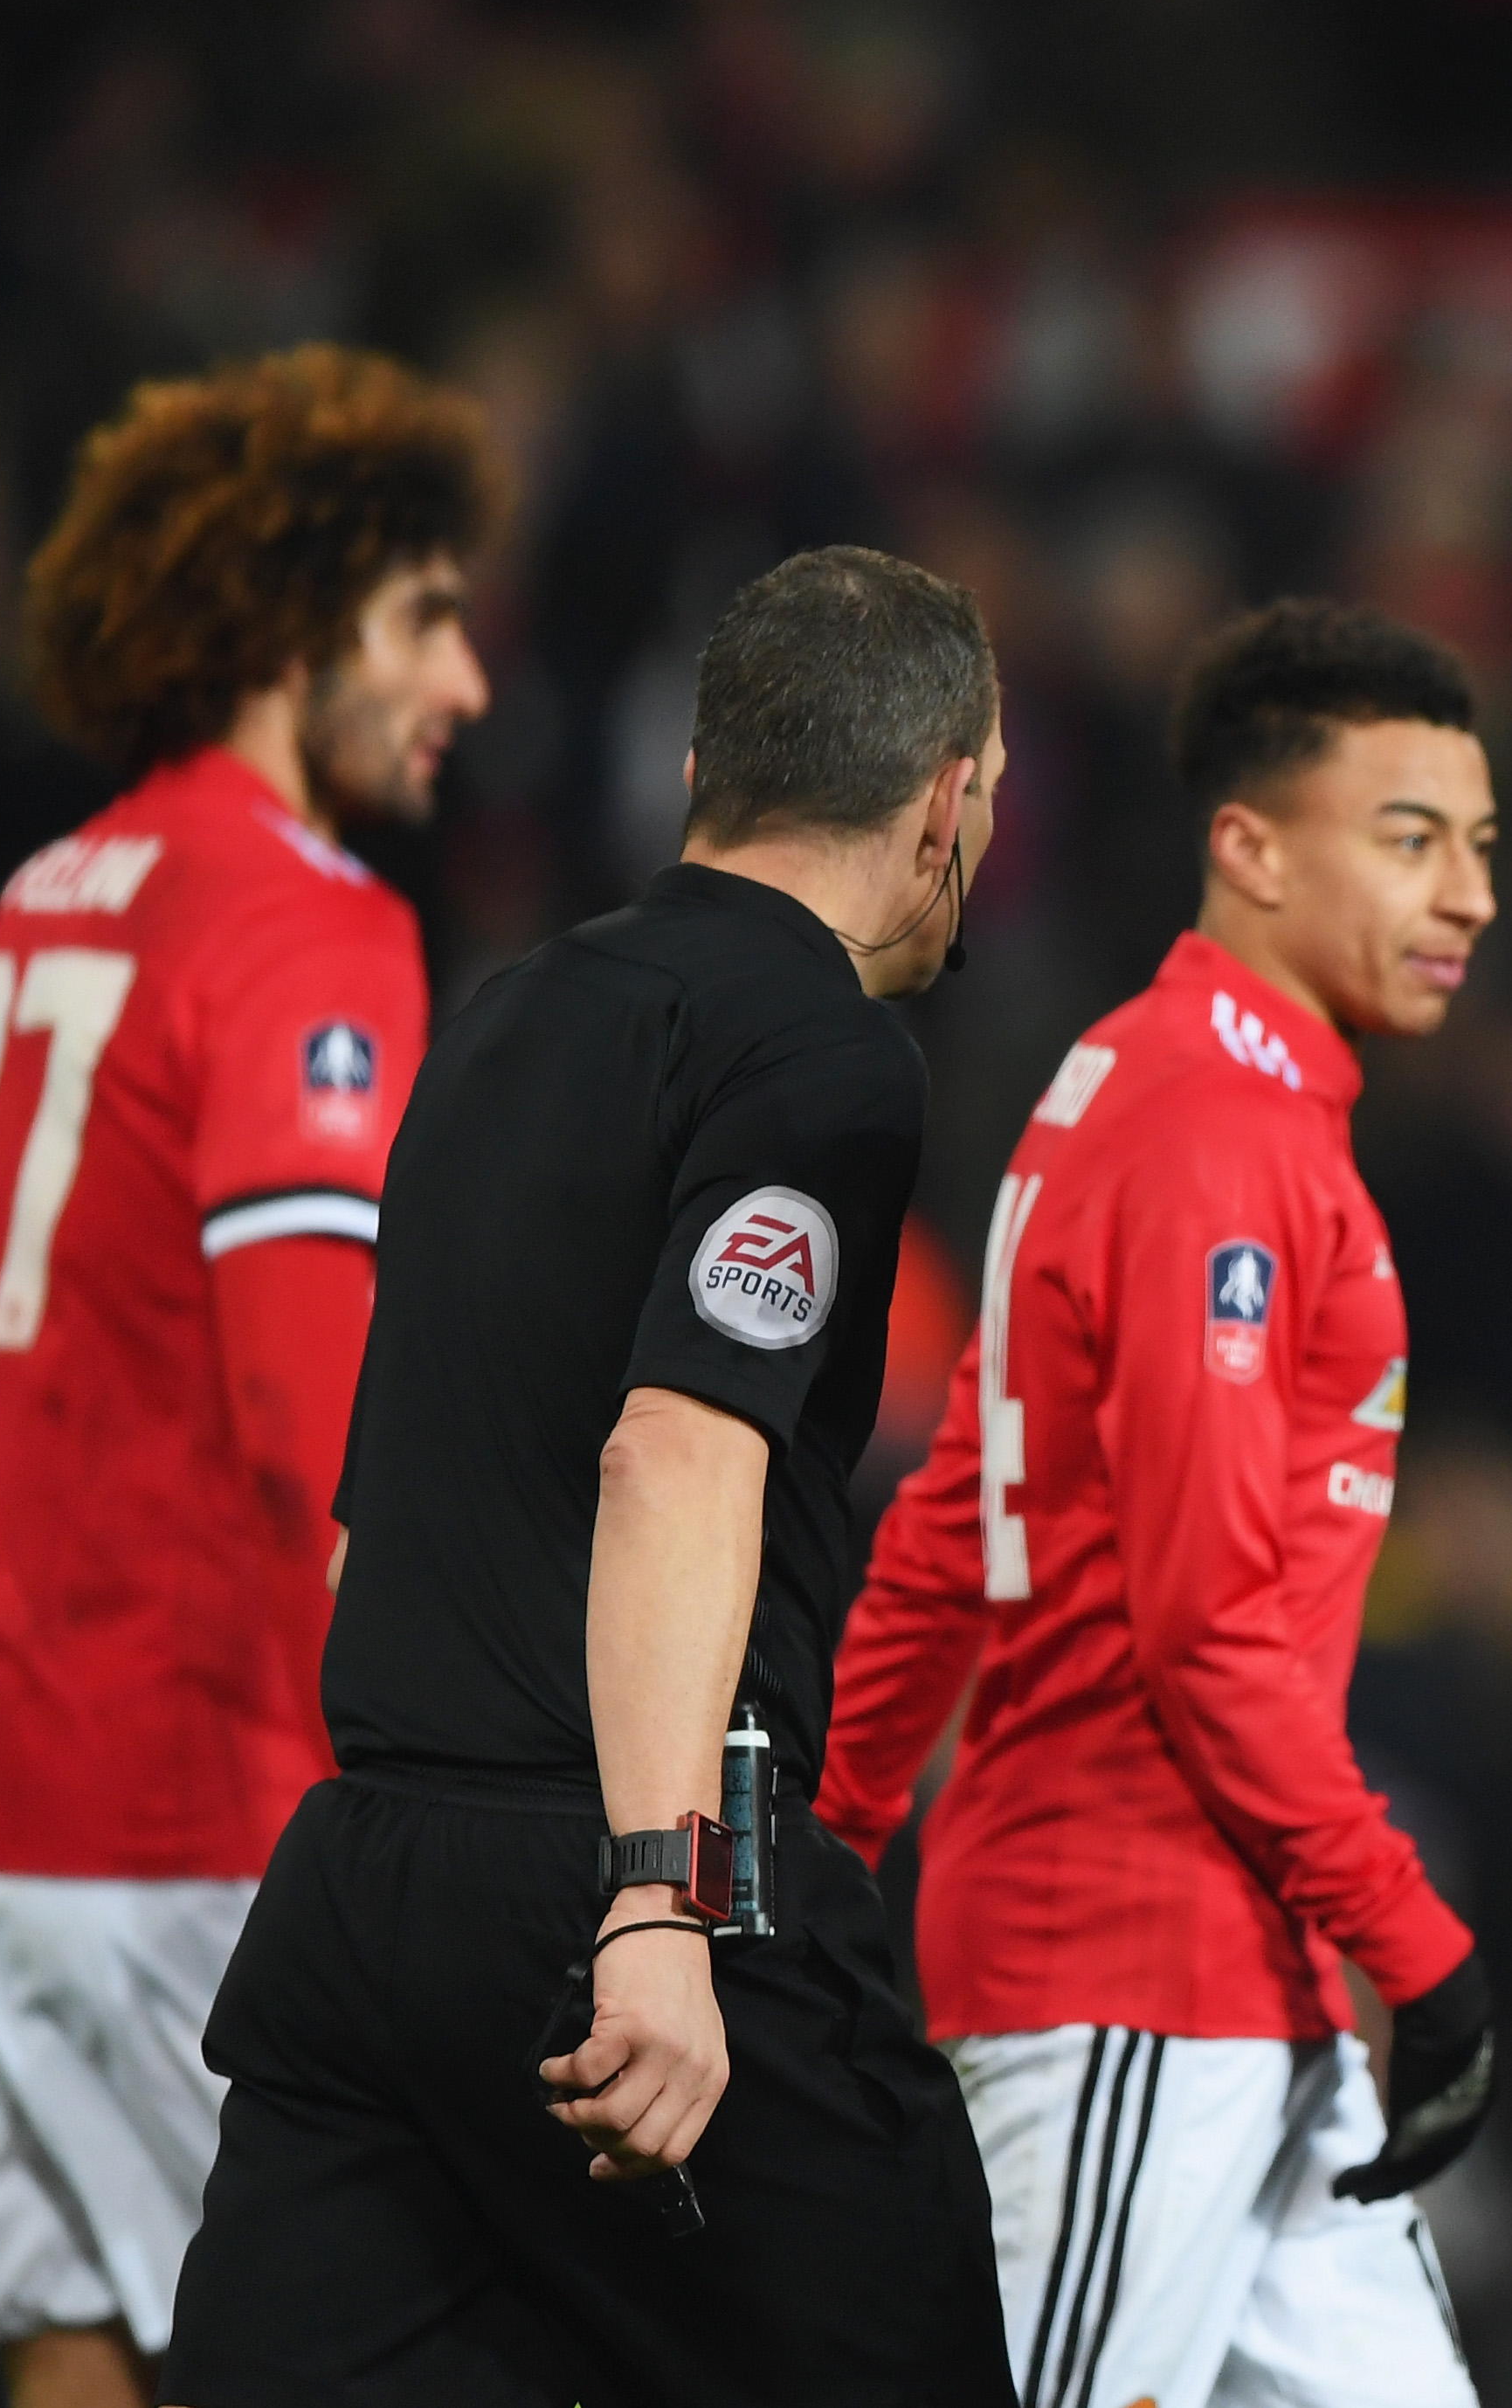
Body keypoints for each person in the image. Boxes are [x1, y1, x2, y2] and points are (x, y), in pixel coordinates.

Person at [164, 547, 1013, 2407]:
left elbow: (380, 1495)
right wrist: (658, 1894)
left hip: (370, 1887)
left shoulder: (497, 1018)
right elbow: (680, 1449)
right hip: (627, 1874)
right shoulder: (827, 1056)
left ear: (708, 766)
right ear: (948, 801)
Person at [0, 347, 493, 2408]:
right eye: (423, 618)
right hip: (168, 1805)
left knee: (82, 2350)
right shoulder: (305, 922)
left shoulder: (41, 894)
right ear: (291, 624)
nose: (467, 682)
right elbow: (315, 1426)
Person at [818, 601, 1505, 2408]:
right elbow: (1206, 1627)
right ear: (1251, 844)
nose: (1470, 896)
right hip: (1123, 1963)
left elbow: (959, 1522)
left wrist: (823, 1838)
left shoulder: (1131, 1090)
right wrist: (1417, 1939)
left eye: (1483, 846)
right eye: (1410, 837)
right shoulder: (1221, 1135)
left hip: (1231, 1976)